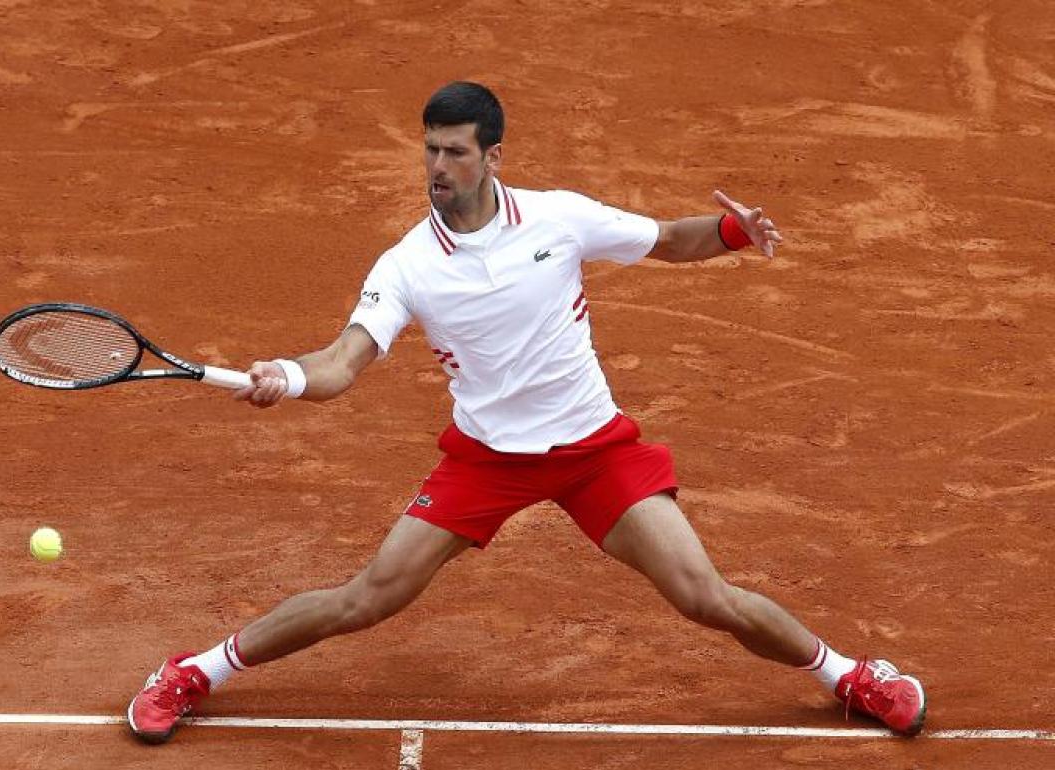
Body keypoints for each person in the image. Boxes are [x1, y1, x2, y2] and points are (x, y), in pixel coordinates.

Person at [126, 81, 926, 744]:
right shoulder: (407, 265)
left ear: (493, 156)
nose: (438, 167)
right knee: (366, 597)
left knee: (705, 597)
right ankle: (194, 671)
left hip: (593, 452)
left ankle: (853, 677)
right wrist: (288, 377)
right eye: (430, 150)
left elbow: (666, 240)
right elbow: (341, 362)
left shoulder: (557, 219)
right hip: (487, 460)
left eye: (455, 152)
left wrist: (732, 231)